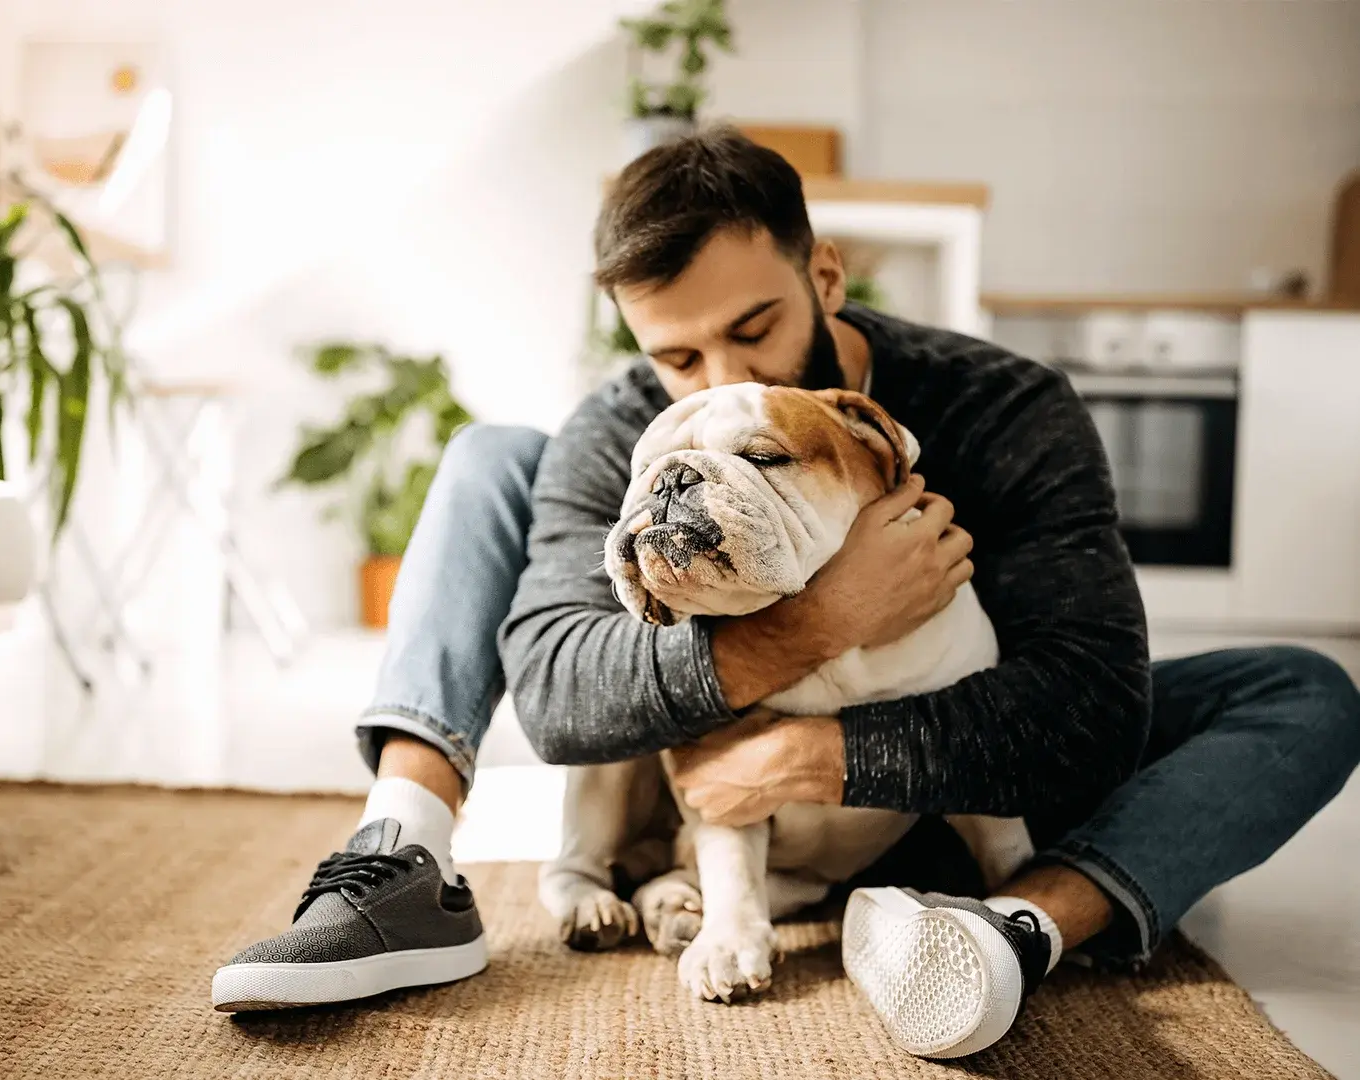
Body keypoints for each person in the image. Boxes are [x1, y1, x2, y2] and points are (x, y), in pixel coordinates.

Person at [212, 127, 1360, 1058]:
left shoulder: (1005, 408)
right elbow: (560, 702)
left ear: (823, 275)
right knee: (490, 453)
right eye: (675, 360)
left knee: (1304, 689)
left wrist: (822, 756)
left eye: (753, 331)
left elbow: (1092, 710)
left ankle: (1018, 927)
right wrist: (820, 620)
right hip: (740, 811)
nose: (720, 384)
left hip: (970, 789)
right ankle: (400, 849)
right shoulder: (626, 427)